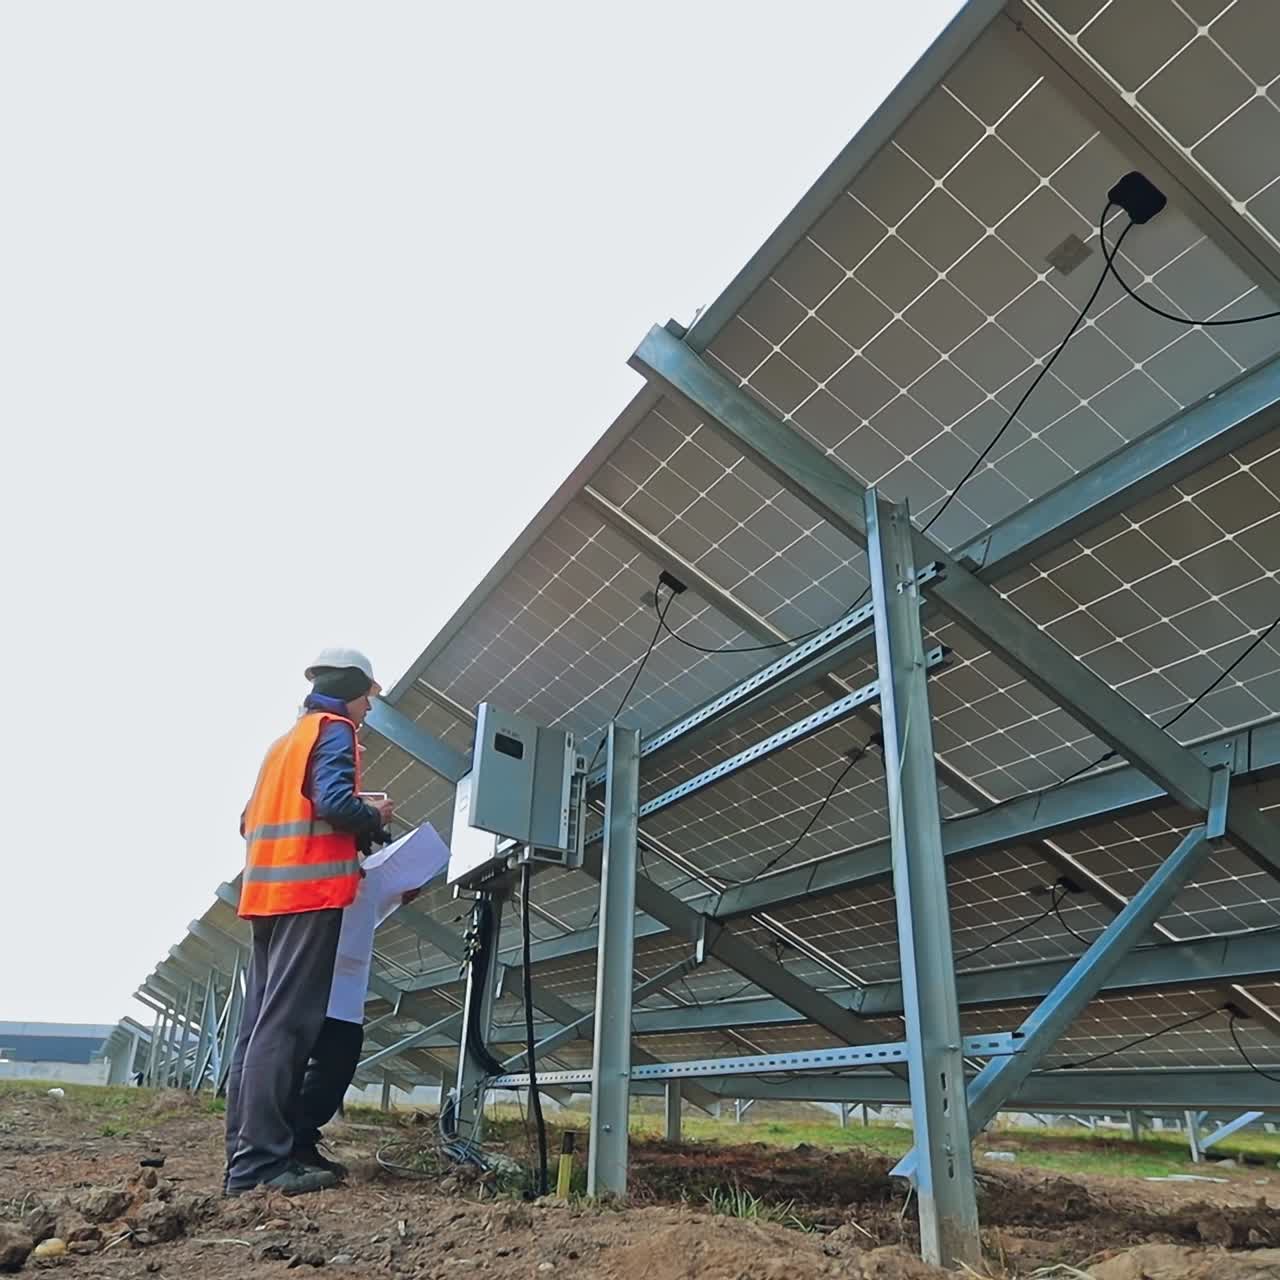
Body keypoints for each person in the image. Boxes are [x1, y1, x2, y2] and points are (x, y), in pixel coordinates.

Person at [223, 648, 396, 1196]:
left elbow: (247, 820)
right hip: (308, 894)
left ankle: (245, 1160)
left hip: (268, 894)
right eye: (368, 695)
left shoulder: (284, 743)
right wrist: (374, 816)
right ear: (352, 687)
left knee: (258, 1029)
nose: (368, 707)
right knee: (287, 1027)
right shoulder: (334, 729)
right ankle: (261, 1169)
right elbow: (334, 802)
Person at [290, 885, 423, 1179]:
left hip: (336, 973)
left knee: (334, 1052)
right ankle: (291, 1142)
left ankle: (293, 1140)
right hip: (316, 961)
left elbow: (362, 905)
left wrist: (392, 896)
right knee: (326, 1053)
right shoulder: (329, 859)